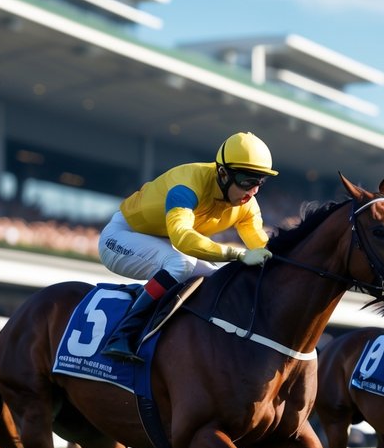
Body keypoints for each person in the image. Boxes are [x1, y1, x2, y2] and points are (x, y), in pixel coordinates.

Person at [97, 132, 277, 361]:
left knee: (220, 277)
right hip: (122, 236)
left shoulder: (247, 204)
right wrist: (236, 254)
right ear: (223, 173)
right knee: (180, 263)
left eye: (259, 182)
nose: (252, 191)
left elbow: (263, 246)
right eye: (246, 181)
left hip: (163, 242)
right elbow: (181, 236)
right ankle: (123, 334)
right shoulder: (187, 184)